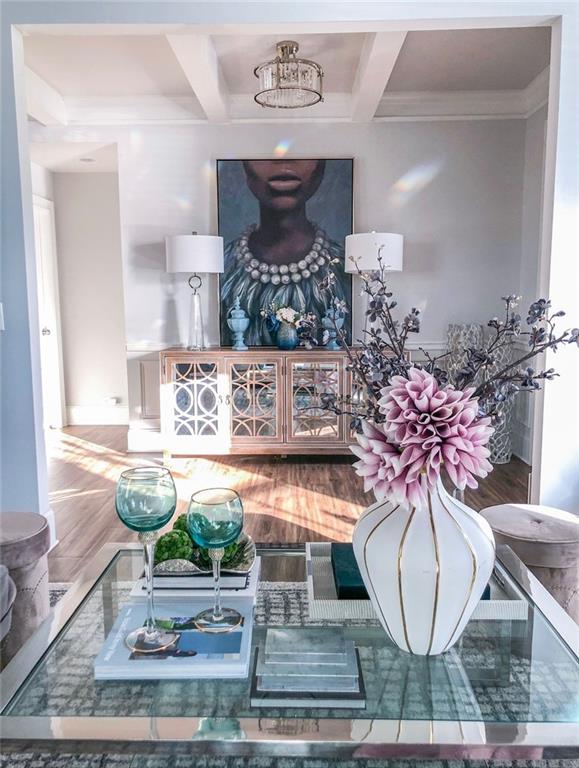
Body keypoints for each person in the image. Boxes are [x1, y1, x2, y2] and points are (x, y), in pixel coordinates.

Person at [220, 159, 350, 346]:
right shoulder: (224, 268)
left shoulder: (345, 269)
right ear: (245, 167)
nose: (283, 161)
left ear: (322, 167)